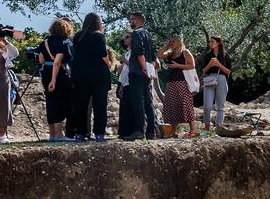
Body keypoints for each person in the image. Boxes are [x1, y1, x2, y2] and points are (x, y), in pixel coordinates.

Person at [68, 12, 114, 141]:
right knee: (100, 105)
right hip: (98, 75)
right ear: (98, 23)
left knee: (80, 106)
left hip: (80, 74)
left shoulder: (77, 36)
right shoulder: (99, 36)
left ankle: (80, 133)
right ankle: (99, 133)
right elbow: (103, 54)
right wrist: (109, 63)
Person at [119, 10, 158, 140]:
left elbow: (140, 52)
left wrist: (143, 68)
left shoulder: (137, 33)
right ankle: (151, 131)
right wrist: (150, 69)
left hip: (137, 71)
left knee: (138, 102)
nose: (130, 22)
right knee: (148, 102)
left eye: (132, 19)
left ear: (139, 20)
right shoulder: (148, 34)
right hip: (146, 73)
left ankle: (139, 130)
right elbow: (153, 56)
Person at [36, 17, 75, 141]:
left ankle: (52, 135)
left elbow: (41, 60)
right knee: (60, 103)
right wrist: (54, 80)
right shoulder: (64, 42)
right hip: (58, 75)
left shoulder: (46, 41)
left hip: (46, 72)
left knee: (51, 103)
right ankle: (59, 135)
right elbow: (57, 63)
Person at [160, 34, 195, 134]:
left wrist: (177, 65)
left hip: (183, 81)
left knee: (185, 104)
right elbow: (159, 55)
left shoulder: (185, 52)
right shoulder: (170, 53)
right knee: (172, 105)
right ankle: (173, 131)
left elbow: (192, 65)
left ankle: (192, 130)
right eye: (170, 41)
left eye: (173, 41)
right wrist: (166, 46)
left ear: (179, 42)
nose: (171, 43)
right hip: (171, 81)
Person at [200, 36, 231, 130]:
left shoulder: (226, 56)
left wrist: (218, 64)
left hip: (221, 79)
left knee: (220, 106)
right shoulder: (208, 55)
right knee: (207, 106)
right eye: (210, 42)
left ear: (218, 43)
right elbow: (204, 71)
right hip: (209, 79)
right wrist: (210, 64)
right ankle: (207, 129)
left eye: (212, 41)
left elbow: (228, 72)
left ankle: (219, 129)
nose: (210, 43)